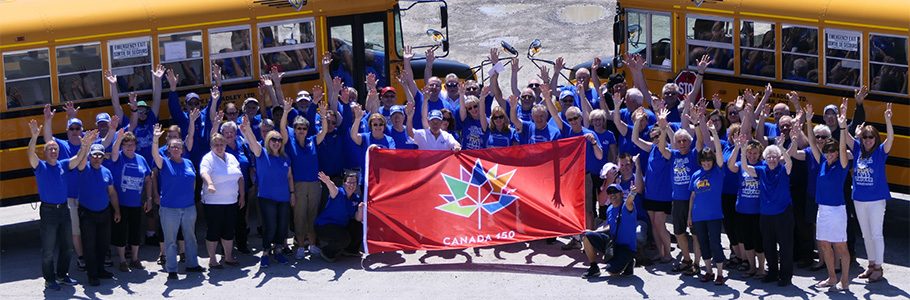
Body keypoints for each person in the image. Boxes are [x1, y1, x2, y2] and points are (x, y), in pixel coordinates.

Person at [29, 120, 92, 290]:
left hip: (64, 209)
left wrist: (85, 145)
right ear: (45, 152)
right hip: (49, 212)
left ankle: (62, 275)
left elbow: (78, 158)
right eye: (50, 149)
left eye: (55, 149)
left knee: (67, 247)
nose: (54, 151)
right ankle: (50, 280)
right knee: (48, 250)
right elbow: (30, 154)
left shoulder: (64, 164)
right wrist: (34, 137)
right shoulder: (40, 166)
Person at [798, 103, 851, 290]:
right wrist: (809, 120)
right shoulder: (821, 161)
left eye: (832, 151)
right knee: (824, 245)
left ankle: (844, 280)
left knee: (840, 247)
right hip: (822, 210)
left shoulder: (842, 164)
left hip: (837, 210)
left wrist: (843, 127)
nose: (829, 154)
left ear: (837, 152)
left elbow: (843, 147)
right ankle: (831, 278)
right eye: (827, 151)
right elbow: (812, 142)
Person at [844, 102, 893, 283]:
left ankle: (878, 267)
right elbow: (847, 137)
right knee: (865, 234)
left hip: (877, 200)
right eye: (865, 137)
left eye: (871, 137)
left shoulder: (880, 152)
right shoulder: (857, 149)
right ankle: (871, 264)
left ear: (876, 139)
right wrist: (843, 124)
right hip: (859, 199)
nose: (867, 140)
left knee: (876, 233)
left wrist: (888, 120)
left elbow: (891, 139)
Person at [240, 106, 294, 268]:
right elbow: (252, 142)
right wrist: (248, 129)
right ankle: (265, 252)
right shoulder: (261, 153)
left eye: (279, 140)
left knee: (282, 226)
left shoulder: (285, 157)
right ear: (267, 141)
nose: (276, 143)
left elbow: (290, 177)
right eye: (273, 139)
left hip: (284, 197)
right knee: (269, 227)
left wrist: (292, 193)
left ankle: (278, 251)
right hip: (267, 198)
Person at [151, 124, 205, 280]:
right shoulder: (164, 163)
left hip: (188, 207)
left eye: (178, 147)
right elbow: (155, 154)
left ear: (182, 149)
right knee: (170, 240)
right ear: (168, 149)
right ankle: (172, 269)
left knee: (190, 238)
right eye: (172, 147)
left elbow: (194, 182)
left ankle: (192, 264)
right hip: (169, 209)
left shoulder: (188, 163)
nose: (175, 149)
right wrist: (155, 139)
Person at [741, 140, 795, 286]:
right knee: (768, 245)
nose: (771, 159)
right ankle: (772, 273)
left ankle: (785, 276)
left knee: (785, 246)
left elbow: (789, 162)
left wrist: (782, 148)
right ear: (765, 158)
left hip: (783, 213)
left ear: (779, 158)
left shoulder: (784, 169)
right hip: (766, 214)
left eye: (774, 157)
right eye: (769, 157)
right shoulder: (761, 170)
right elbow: (745, 167)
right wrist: (743, 149)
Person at [42, 104, 87, 270]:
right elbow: (48, 139)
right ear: (67, 131)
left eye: (78, 128)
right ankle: (81, 257)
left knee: (89, 228)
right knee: (75, 230)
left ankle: (96, 255)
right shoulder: (62, 146)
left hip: (88, 195)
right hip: (70, 196)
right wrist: (47, 120)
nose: (75, 131)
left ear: (82, 130)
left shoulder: (88, 144)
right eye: (72, 129)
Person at [284, 94, 325, 260]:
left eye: (304, 128)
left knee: (312, 214)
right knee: (299, 216)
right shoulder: (290, 142)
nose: (301, 131)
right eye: (298, 128)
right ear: (294, 129)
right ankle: (300, 246)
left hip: (314, 184)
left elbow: (323, 131)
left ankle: (312, 244)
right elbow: (281, 129)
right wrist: (286, 112)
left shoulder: (313, 140)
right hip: (299, 185)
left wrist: (322, 116)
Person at [76, 143, 121, 286]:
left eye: (99, 155)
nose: (96, 158)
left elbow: (112, 193)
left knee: (103, 244)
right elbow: (81, 160)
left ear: (103, 157)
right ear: (89, 156)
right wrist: (86, 145)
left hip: (104, 212)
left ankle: (101, 270)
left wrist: (117, 210)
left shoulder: (107, 172)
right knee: (89, 245)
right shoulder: (83, 168)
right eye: (94, 155)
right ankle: (92, 274)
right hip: (87, 213)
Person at [108, 130, 153, 272]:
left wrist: (149, 198)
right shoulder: (118, 158)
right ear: (122, 146)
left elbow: (148, 180)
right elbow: (114, 151)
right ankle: (122, 260)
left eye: (132, 144)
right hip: (120, 203)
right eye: (126, 144)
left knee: (135, 231)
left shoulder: (141, 159)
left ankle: (134, 259)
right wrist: (119, 137)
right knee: (120, 232)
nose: (130, 147)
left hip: (136, 203)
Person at [688, 122, 727, 285]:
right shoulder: (696, 174)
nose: (706, 163)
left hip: (714, 215)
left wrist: (713, 133)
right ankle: (708, 271)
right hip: (698, 216)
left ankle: (719, 273)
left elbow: (718, 151)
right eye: (704, 161)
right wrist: (690, 216)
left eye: (708, 161)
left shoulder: (718, 171)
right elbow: (692, 196)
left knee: (715, 243)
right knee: (703, 244)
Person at [199, 133, 244, 269]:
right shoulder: (208, 158)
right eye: (216, 145)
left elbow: (240, 177)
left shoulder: (231, 157)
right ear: (211, 146)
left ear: (225, 145)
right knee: (213, 230)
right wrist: (210, 184)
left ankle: (228, 257)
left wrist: (242, 195)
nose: (219, 147)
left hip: (231, 201)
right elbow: (204, 173)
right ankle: (212, 260)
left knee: (228, 230)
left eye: (221, 144)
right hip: (213, 202)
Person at [728, 135, 766, 278]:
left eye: (755, 153)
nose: (752, 155)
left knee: (759, 241)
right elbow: (731, 166)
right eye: (749, 152)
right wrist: (738, 148)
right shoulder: (741, 164)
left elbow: (748, 168)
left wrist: (743, 155)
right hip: (742, 210)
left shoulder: (762, 166)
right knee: (747, 241)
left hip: (757, 211)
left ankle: (762, 268)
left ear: (760, 153)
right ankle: (752, 267)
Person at [581, 183, 639, 278]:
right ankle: (594, 268)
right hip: (612, 244)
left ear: (621, 194)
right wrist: (594, 232)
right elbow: (608, 227)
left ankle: (629, 261)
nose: (612, 194)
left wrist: (632, 193)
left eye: (615, 192)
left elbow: (629, 201)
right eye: (610, 192)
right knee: (587, 236)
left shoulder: (626, 206)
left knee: (613, 273)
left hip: (626, 248)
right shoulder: (609, 209)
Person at [313, 172, 364, 262]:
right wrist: (328, 181)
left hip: (340, 227)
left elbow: (358, 218)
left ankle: (350, 250)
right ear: (344, 183)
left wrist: (360, 209)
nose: (351, 185)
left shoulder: (356, 198)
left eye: (354, 183)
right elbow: (332, 187)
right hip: (324, 226)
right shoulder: (338, 193)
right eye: (349, 182)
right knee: (344, 238)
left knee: (359, 226)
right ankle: (326, 252)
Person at [404, 82, 461, 151]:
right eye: (433, 122)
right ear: (428, 122)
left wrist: (456, 146)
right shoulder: (422, 134)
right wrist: (409, 117)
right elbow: (410, 132)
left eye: (437, 122)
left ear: (441, 122)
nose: (435, 124)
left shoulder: (447, 136)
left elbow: (455, 144)